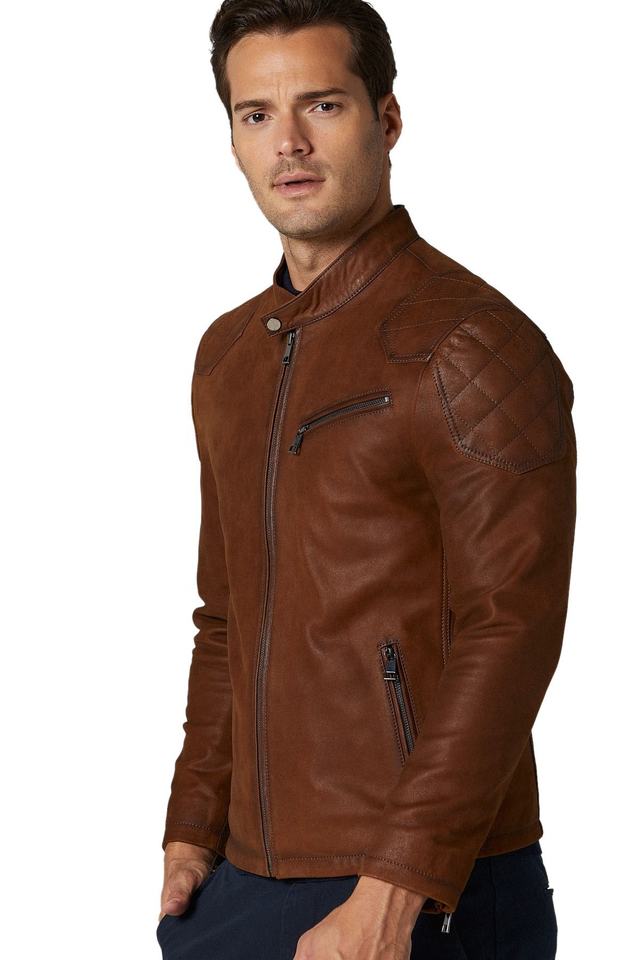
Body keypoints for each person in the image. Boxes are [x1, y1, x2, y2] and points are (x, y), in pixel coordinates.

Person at [157, 2, 576, 958]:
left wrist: (398, 885)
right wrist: (193, 822)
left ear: (387, 119)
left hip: (423, 891)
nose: (289, 143)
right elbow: (226, 616)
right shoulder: (229, 353)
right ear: (231, 136)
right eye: (256, 113)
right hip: (240, 880)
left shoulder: (471, 342)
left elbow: (513, 628)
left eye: (323, 105)